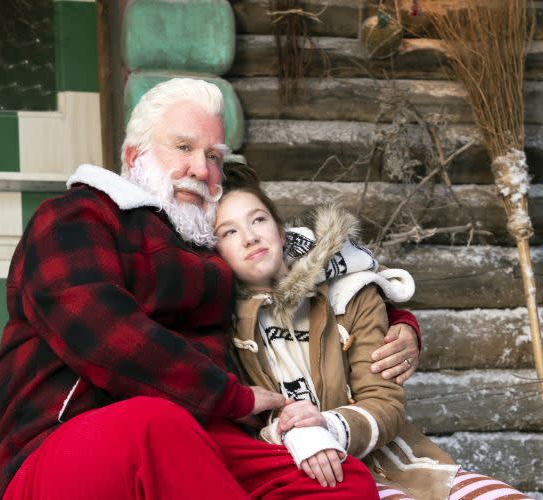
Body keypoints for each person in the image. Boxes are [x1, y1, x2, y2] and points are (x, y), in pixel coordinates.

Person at [0, 77, 418, 499]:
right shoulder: (77, 215)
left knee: (339, 483)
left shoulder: (215, 240)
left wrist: (398, 323)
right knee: (155, 426)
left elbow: (307, 271)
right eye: (183, 147)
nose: (201, 168)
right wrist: (232, 396)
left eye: (214, 155)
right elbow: (101, 332)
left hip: (200, 434)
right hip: (61, 447)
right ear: (134, 155)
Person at [214, 164, 531, 500]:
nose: (250, 237)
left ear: (280, 230)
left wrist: (329, 426)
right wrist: (295, 433)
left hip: (394, 461)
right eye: (229, 232)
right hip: (308, 475)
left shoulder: (350, 291)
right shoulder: (221, 325)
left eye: (258, 219)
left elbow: (384, 400)